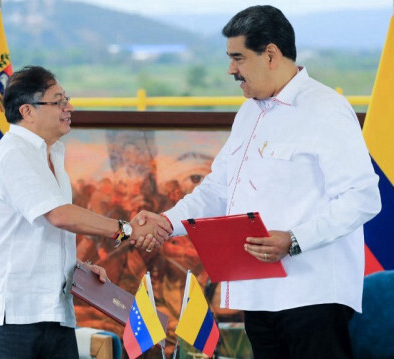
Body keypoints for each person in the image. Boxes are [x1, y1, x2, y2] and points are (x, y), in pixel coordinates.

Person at [137, 6, 381, 359]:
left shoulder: (325, 108)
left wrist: (294, 241)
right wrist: (166, 222)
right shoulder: (249, 112)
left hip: (312, 294)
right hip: (258, 292)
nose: (231, 69)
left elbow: (362, 197)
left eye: (238, 57)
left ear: (270, 54)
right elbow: (218, 189)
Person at [0, 65, 170, 359]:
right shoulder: (11, 153)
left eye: (67, 99)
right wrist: (129, 230)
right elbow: (60, 215)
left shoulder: (53, 156)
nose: (69, 107)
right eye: (58, 101)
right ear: (27, 111)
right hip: (10, 319)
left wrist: (75, 267)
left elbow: (36, 235)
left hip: (54, 314)